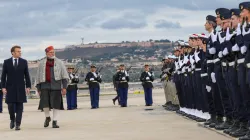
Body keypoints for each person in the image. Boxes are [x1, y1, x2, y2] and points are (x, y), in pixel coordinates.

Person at [36, 46, 69, 128]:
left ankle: (55, 121)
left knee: (56, 105)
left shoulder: (59, 62)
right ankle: (47, 117)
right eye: (50, 52)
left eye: (53, 52)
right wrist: (38, 88)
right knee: (45, 104)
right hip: (44, 85)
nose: (52, 53)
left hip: (56, 86)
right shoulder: (41, 63)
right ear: (46, 53)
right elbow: (38, 77)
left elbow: (64, 75)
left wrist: (64, 87)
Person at [1, 45, 31, 130]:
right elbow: (3, 76)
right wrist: (3, 87)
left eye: (20, 51)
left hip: (21, 87)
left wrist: (28, 86)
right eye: (18, 51)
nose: (20, 53)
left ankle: (18, 124)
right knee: (10, 105)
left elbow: (27, 75)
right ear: (13, 53)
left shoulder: (24, 62)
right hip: (9, 87)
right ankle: (12, 119)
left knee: (20, 106)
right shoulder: (6, 62)